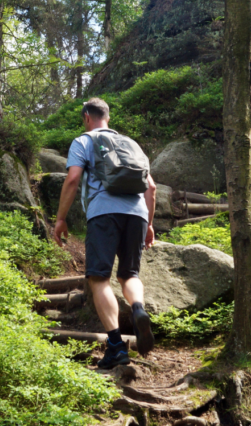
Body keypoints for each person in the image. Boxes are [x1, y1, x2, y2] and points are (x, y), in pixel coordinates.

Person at [53, 97, 156, 369]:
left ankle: (115, 347)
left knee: (98, 279)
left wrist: (61, 218)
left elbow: (73, 179)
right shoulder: (132, 144)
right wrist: (149, 224)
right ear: (107, 117)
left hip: (103, 213)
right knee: (129, 274)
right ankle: (138, 309)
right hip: (137, 214)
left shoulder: (84, 141)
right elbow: (152, 188)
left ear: (87, 117)